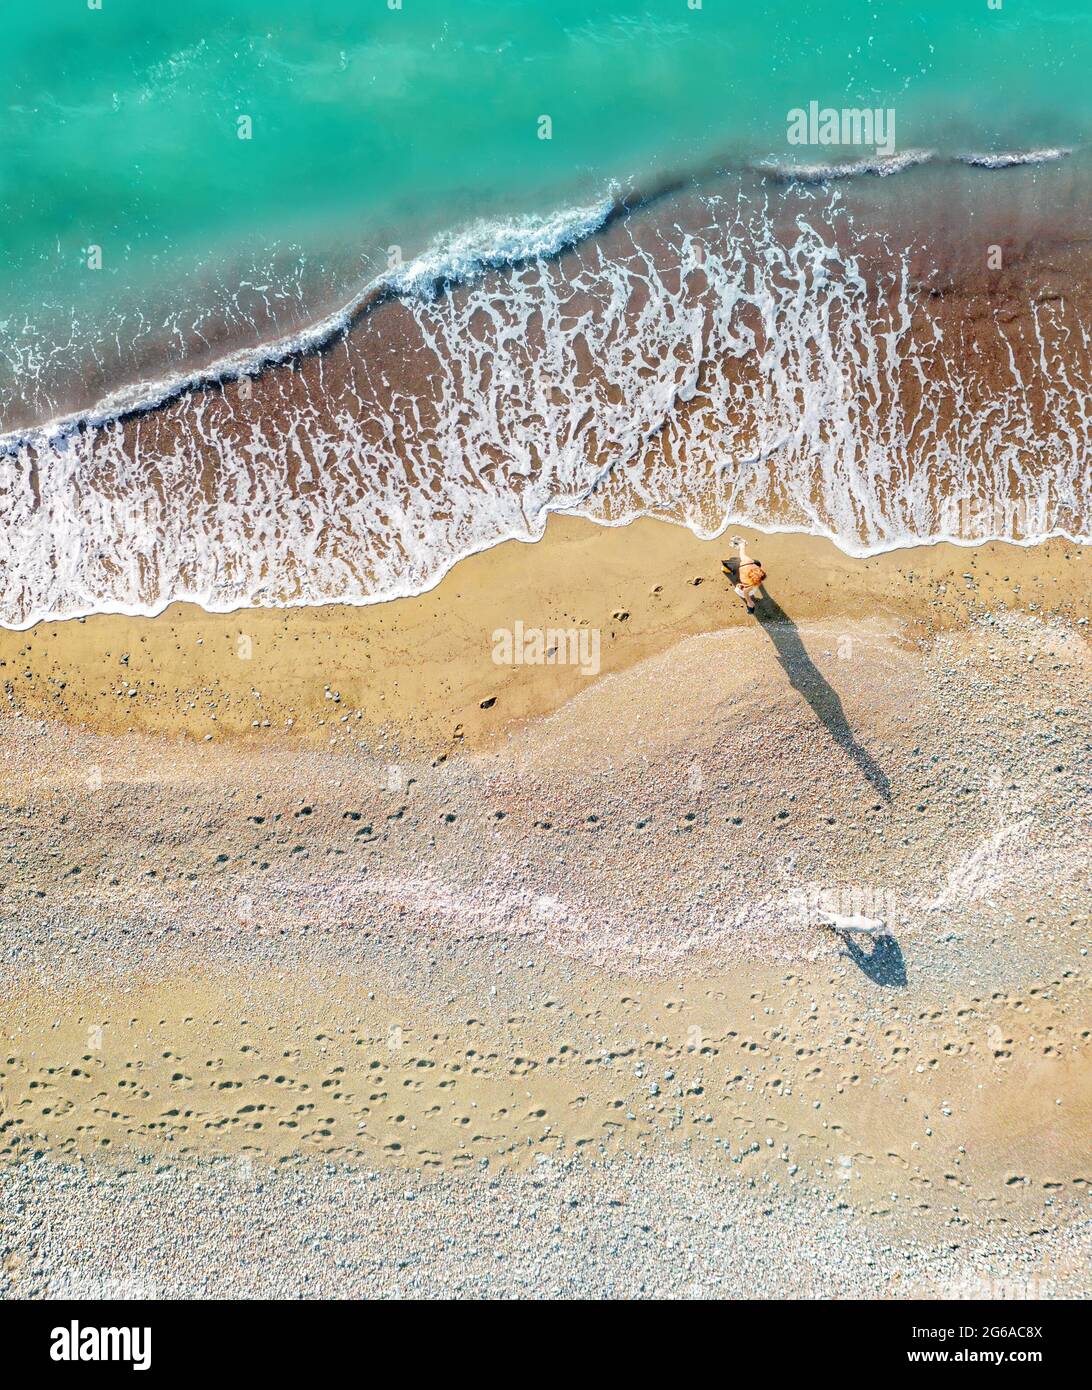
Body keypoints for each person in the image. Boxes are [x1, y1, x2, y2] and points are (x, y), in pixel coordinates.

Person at [721, 536, 767, 612]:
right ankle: (726, 569)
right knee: (740, 588)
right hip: (737, 572)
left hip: (741, 565)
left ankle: (726, 567)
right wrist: (749, 602)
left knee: (757, 562)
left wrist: (742, 545)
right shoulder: (751, 585)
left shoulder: (748, 561)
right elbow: (745, 592)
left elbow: (742, 552)